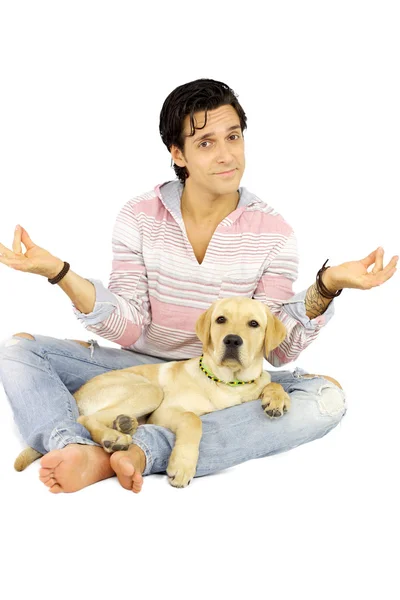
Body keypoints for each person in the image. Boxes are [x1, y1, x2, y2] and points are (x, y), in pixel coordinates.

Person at [0, 78, 397, 495]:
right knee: (20, 352)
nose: (227, 155)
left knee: (324, 400)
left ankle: (129, 450)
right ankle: (74, 443)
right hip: (144, 368)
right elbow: (129, 325)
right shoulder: (139, 215)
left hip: (233, 380)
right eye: (205, 143)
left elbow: (276, 349)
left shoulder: (274, 232)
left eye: (233, 137)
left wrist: (328, 285)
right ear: (178, 154)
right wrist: (60, 272)